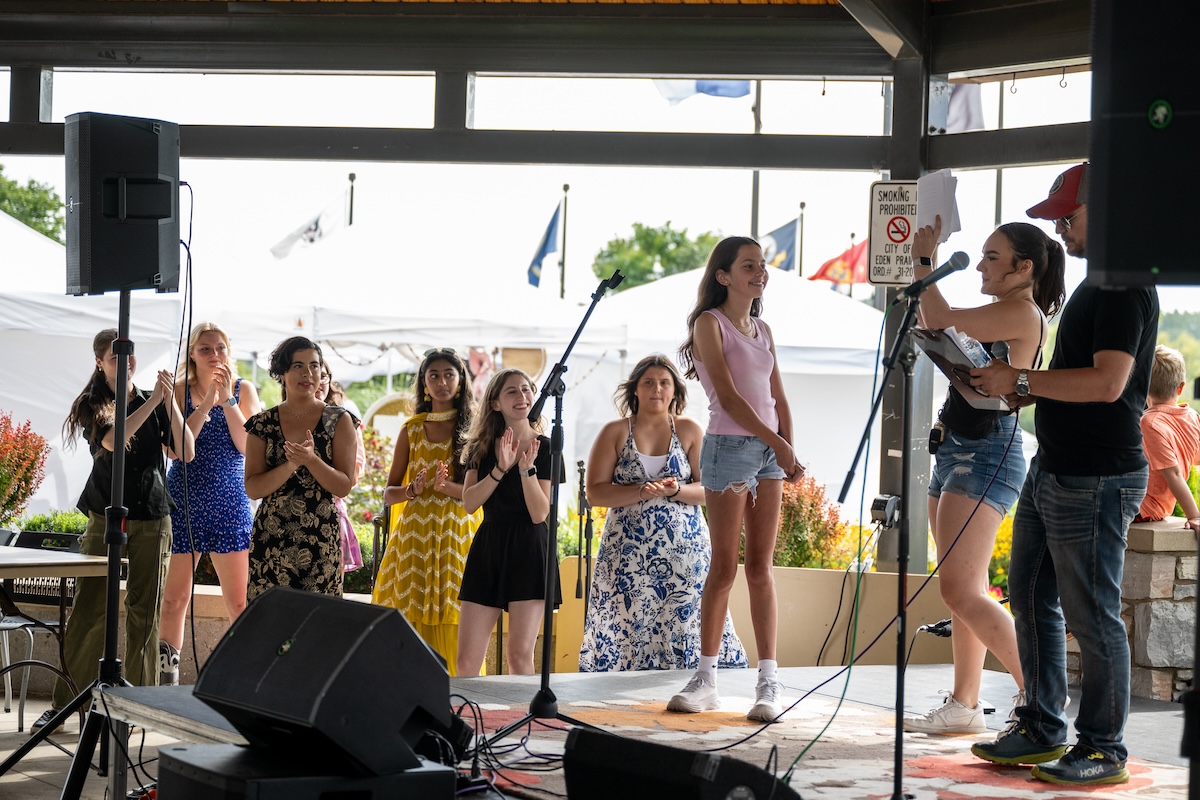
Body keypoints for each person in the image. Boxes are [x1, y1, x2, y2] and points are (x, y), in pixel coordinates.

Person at [969, 162, 1159, 785]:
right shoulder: (1096, 282)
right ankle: (1043, 723)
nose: (1063, 233)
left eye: (1068, 219)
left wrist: (1021, 381)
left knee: (1092, 613)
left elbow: (1109, 383)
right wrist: (1033, 393)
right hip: (1057, 468)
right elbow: (1082, 379)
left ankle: (1104, 747)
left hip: (1097, 477)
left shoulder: (1123, 283)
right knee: (1027, 594)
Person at [902, 217, 1065, 734]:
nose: (979, 264)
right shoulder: (1003, 309)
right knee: (966, 588)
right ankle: (965, 703)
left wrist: (925, 262)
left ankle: (1038, 700)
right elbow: (943, 327)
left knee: (959, 591)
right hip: (956, 446)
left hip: (988, 451)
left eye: (992, 257)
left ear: (1024, 268)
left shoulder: (1020, 311)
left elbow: (942, 315)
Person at [667, 236, 803, 723]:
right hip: (730, 447)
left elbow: (776, 393)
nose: (760, 273)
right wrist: (776, 440)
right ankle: (706, 679)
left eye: (762, 266)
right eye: (749, 266)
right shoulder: (710, 323)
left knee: (761, 569)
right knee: (724, 567)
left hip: (769, 451)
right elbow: (727, 396)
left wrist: (789, 445)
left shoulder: (763, 328)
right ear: (723, 275)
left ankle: (769, 681)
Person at [36, 329, 195, 730]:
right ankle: (67, 702)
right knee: (90, 608)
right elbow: (112, 440)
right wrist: (155, 401)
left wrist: (170, 405)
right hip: (105, 514)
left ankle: (138, 707)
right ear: (99, 361)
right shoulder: (92, 403)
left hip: (154, 513)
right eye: (115, 356)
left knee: (145, 613)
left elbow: (185, 451)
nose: (125, 363)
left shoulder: (150, 398)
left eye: (129, 355)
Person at [579, 354, 746, 672]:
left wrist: (675, 491)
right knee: (628, 622)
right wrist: (640, 492)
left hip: (685, 556)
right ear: (636, 390)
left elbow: (710, 490)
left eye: (664, 383)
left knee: (685, 623)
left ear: (675, 391)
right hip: (627, 557)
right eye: (649, 382)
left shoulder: (690, 429)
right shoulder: (614, 432)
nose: (657, 389)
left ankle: (690, 688)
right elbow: (596, 492)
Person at [160, 322, 261, 686]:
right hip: (185, 499)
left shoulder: (243, 389)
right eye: (205, 349)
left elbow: (248, 448)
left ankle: (245, 681)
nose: (214, 354)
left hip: (230, 500)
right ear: (192, 353)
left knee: (237, 602)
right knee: (174, 601)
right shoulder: (179, 391)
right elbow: (175, 450)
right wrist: (204, 404)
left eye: (220, 348)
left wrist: (229, 402)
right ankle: (166, 681)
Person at [373, 348, 481, 673]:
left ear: (461, 381)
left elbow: (483, 494)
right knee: (408, 623)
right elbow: (389, 494)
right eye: (433, 375)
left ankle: (459, 701)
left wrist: (448, 489)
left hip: (456, 540)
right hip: (414, 543)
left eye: (449, 374)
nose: (442, 381)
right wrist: (412, 490)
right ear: (423, 383)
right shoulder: (412, 430)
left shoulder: (474, 431)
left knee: (457, 618)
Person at [455, 368, 559, 676]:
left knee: (518, 656)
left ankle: (521, 722)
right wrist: (500, 468)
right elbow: (470, 503)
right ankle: (469, 722)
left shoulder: (547, 447)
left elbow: (540, 514)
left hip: (530, 549)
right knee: (467, 660)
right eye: (512, 391)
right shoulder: (481, 446)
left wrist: (526, 470)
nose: (522, 396)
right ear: (496, 403)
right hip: (489, 546)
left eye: (526, 390)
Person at [244, 336, 358, 599]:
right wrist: (290, 465)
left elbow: (343, 485)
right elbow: (252, 488)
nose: (308, 373)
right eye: (298, 366)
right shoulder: (262, 423)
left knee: (318, 627)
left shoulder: (338, 420)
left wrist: (311, 460)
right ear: (282, 373)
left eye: (314, 366)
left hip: (319, 537)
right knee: (271, 624)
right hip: (271, 538)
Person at [1136, 345, 1200, 530]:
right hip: (1160, 507)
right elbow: (1195, 458)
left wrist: (1194, 516)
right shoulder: (1192, 416)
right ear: (1181, 387)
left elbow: (1173, 473)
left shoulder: (1149, 422)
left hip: (1144, 507)